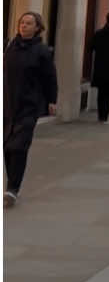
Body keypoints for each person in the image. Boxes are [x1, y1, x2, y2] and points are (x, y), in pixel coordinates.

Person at [4, 12, 58, 206]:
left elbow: (50, 77)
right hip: (8, 103)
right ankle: (12, 183)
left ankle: (12, 189)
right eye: (22, 23)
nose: (24, 26)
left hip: (29, 105)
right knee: (7, 145)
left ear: (37, 28)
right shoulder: (11, 46)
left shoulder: (42, 51)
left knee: (19, 146)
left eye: (28, 23)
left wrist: (52, 100)